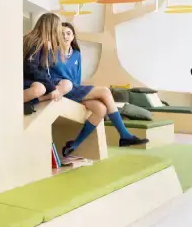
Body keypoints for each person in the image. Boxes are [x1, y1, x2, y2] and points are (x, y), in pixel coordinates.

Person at [49, 21, 148, 157]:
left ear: (73, 36)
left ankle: (74, 144)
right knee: (105, 91)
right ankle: (124, 134)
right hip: (62, 89)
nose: (65, 36)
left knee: (101, 109)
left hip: (75, 89)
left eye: (68, 33)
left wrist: (81, 94)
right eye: (62, 34)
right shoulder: (52, 53)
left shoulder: (76, 54)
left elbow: (77, 78)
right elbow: (47, 75)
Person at [23, 13, 74, 112]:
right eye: (58, 28)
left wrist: (50, 85)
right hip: (28, 79)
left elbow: (44, 69)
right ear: (52, 28)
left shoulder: (47, 44)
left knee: (67, 84)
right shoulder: (35, 42)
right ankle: (20, 103)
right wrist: (51, 87)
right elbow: (31, 69)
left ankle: (34, 100)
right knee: (40, 89)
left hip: (37, 79)